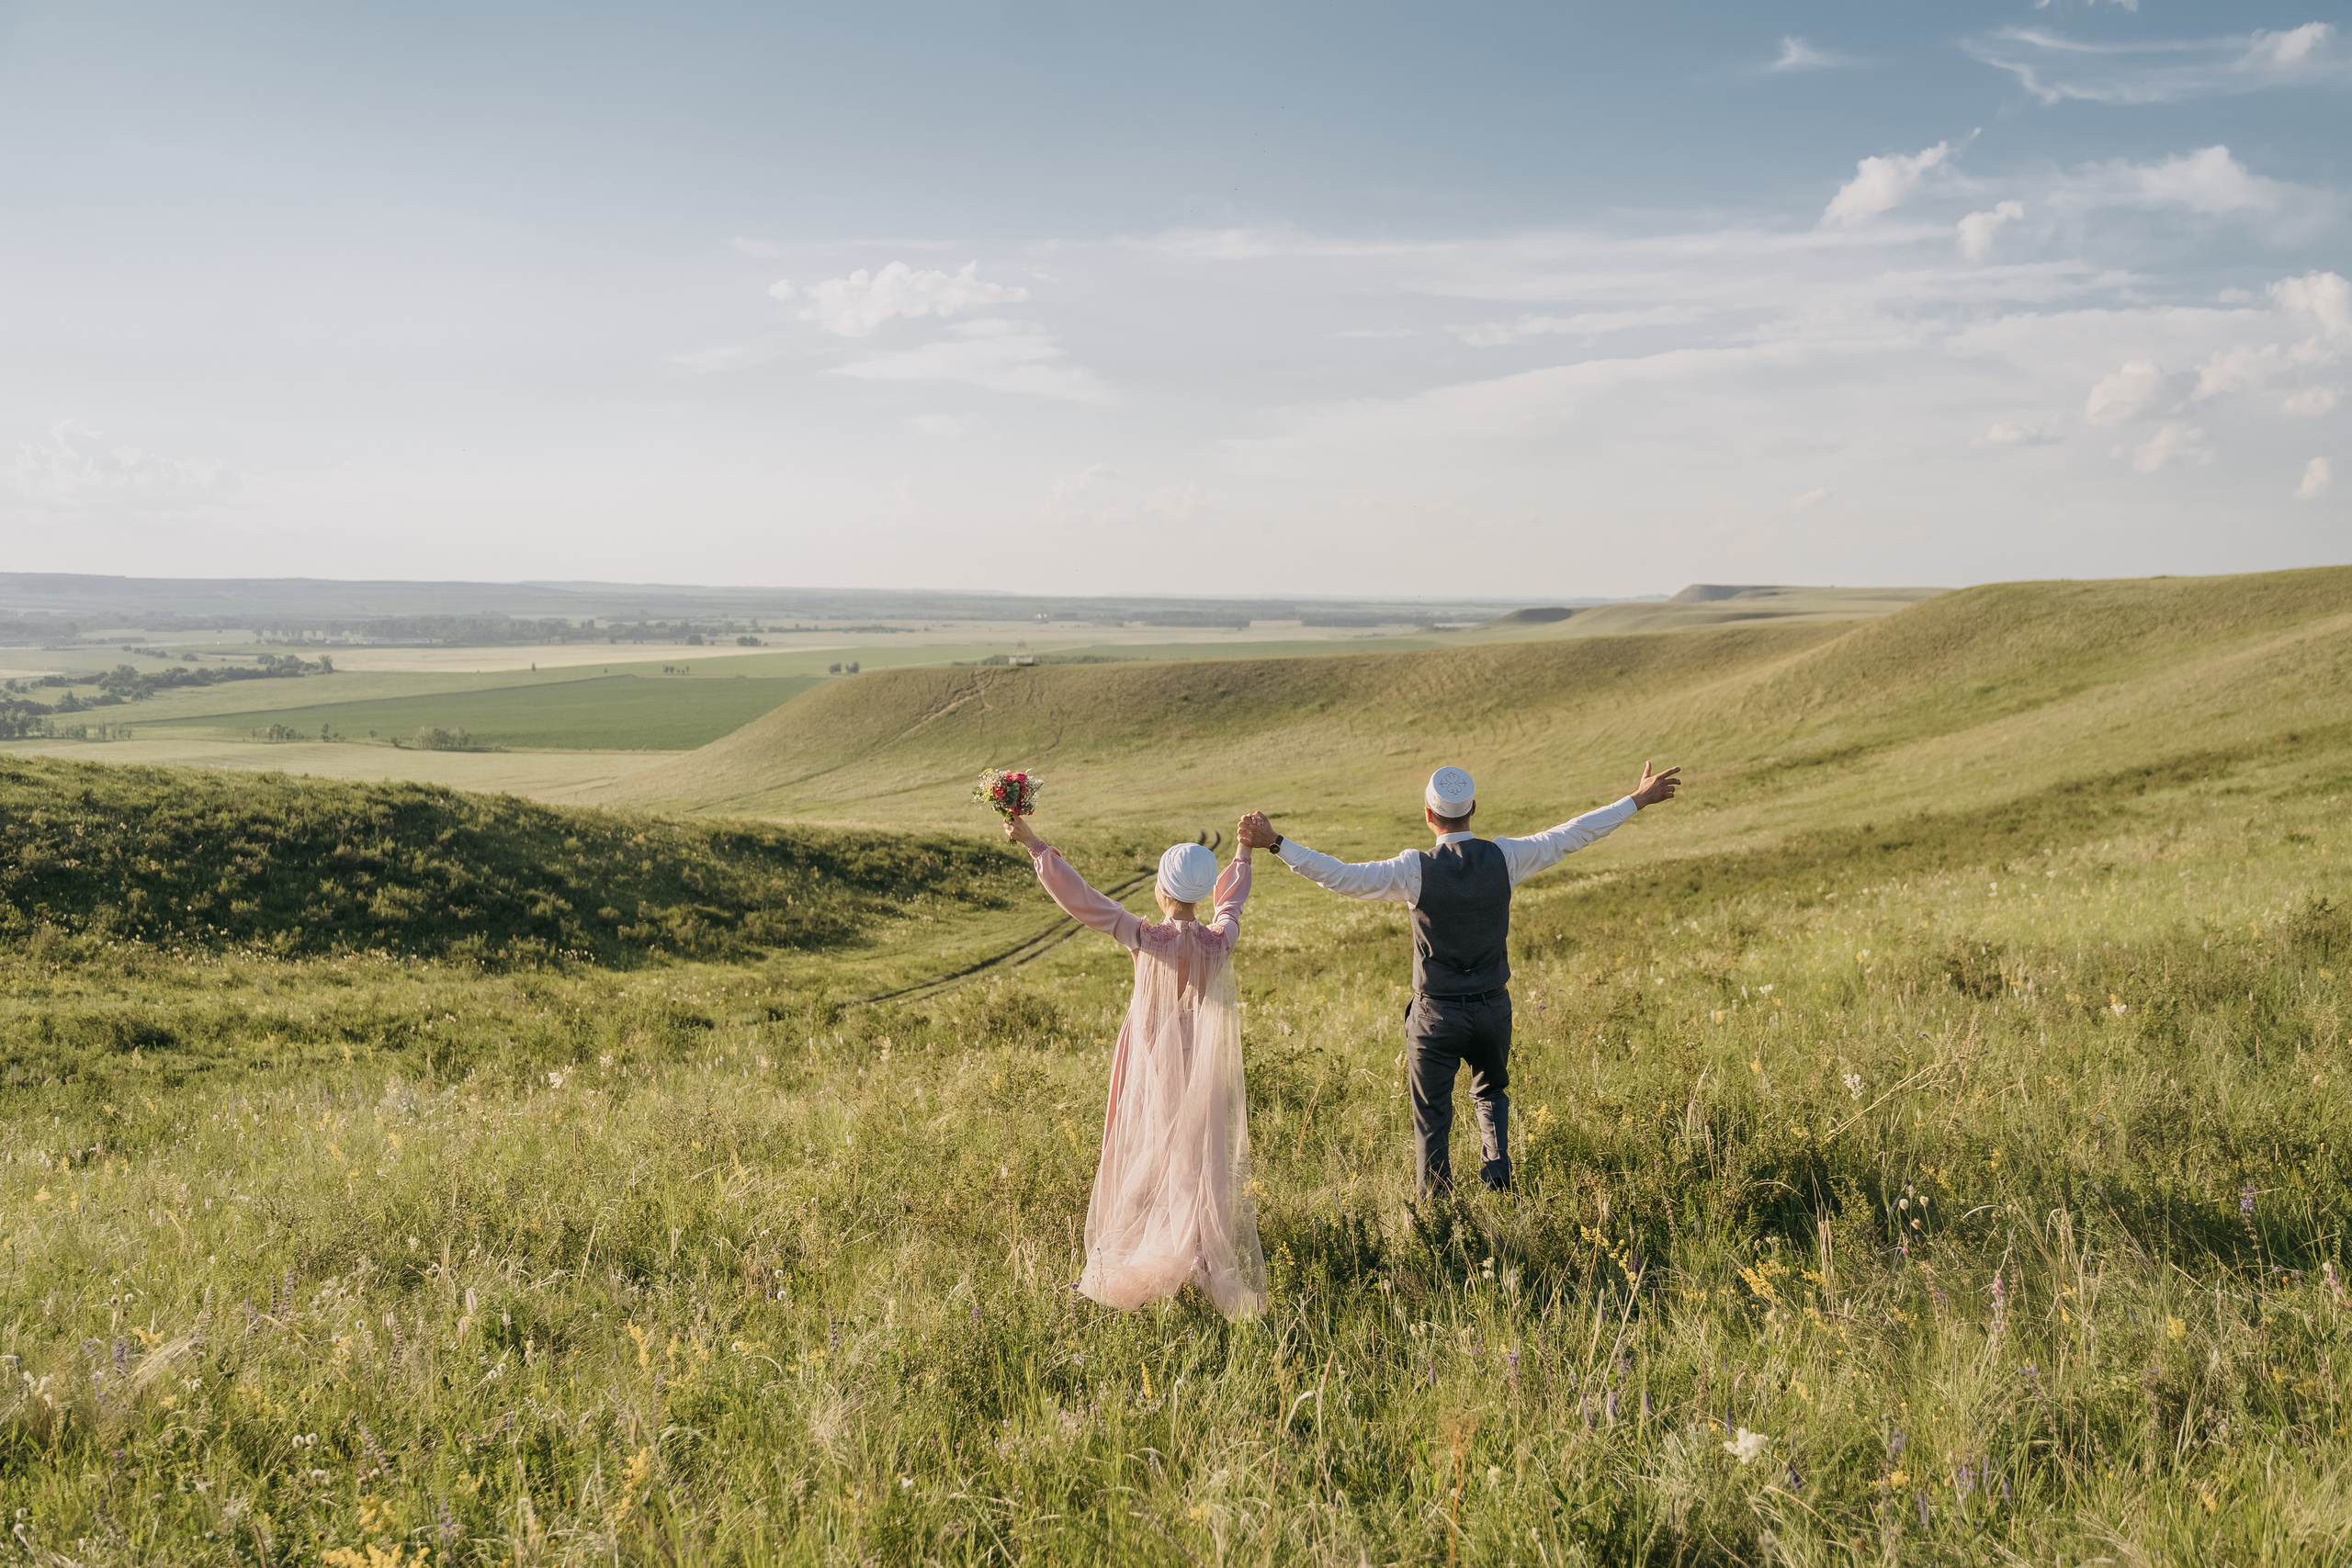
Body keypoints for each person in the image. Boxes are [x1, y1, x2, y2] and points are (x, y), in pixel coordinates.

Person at [1237, 761, 1680, 1197]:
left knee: (1432, 1117)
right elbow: (1573, 833)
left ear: (1428, 815)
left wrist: (1276, 842)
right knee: (1492, 1091)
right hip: (1492, 1008)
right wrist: (1638, 799)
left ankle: (1438, 1208)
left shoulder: (1413, 869)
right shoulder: (1505, 857)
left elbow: (1342, 876)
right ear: (1473, 809)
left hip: (1436, 1016)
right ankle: (1498, 1176)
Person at [1004, 813, 1266, 1320]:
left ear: (1162, 890)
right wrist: (1244, 852)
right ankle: (1196, 1252)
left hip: (1148, 1056)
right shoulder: (1221, 939)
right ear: (1201, 893)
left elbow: (1083, 900)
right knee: (1199, 1157)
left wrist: (1034, 843)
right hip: (1199, 1059)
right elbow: (1232, 903)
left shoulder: (1143, 936)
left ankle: (1142, 1249)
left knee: (1142, 1146)